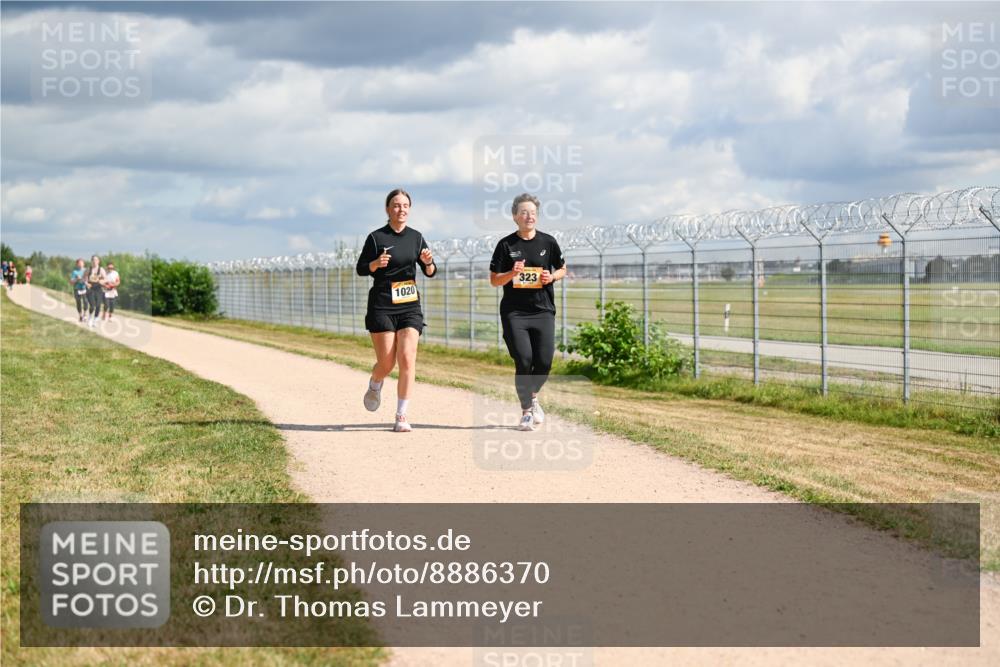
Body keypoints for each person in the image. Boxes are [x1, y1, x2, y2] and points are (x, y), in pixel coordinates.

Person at [356, 188, 436, 432]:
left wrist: (428, 262)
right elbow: (361, 269)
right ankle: (376, 381)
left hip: (409, 304)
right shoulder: (376, 237)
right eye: (396, 205)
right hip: (382, 304)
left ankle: (401, 415)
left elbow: (431, 271)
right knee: (387, 362)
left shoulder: (417, 237)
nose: (401, 209)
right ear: (388, 209)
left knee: (407, 358)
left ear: (409, 209)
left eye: (405, 205)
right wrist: (375, 264)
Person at [489, 193, 567, 431]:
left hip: (543, 310)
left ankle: (532, 397)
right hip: (515, 313)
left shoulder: (548, 242)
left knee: (543, 362)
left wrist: (551, 276)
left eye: (532, 212)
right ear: (515, 216)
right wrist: (512, 273)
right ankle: (526, 412)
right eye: (523, 212)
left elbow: (563, 269)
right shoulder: (506, 245)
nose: (528, 216)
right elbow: (494, 280)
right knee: (523, 360)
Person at [85, 255, 106, 328]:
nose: (94, 261)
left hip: (98, 288)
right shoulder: (88, 269)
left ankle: (95, 319)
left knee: (98, 305)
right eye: (93, 260)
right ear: (91, 261)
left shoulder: (101, 269)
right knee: (92, 305)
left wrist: (101, 281)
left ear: (98, 261)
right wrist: (86, 283)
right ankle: (90, 317)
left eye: (96, 260)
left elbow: (105, 279)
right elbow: (84, 278)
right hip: (90, 289)